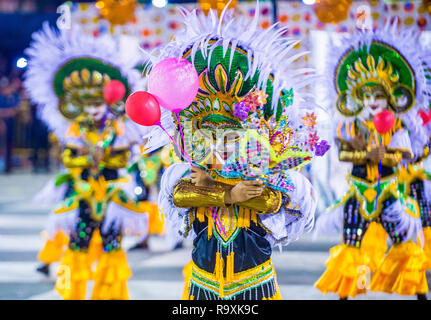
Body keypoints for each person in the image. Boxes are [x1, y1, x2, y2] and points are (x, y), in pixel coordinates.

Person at [147, 4, 327, 300]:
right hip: (204, 279)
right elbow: (180, 195)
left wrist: (215, 188)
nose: (218, 142)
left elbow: (270, 201)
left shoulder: (257, 168)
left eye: (229, 135)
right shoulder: (195, 168)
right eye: (209, 132)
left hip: (253, 281)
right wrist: (230, 194)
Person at [24, 23, 154, 300]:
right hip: (82, 193)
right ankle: (71, 292)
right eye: (89, 104)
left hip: (112, 195)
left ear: (108, 103)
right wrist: (84, 156)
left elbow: (124, 158)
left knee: (112, 245)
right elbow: (69, 157)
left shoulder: (118, 128)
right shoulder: (76, 128)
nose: (94, 109)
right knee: (77, 243)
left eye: (98, 104)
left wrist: (108, 154)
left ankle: (110, 295)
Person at [314, 21, 430, 300]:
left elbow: (405, 156)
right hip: (358, 190)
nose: (372, 101)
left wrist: (386, 152)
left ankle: (419, 293)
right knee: (351, 243)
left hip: (390, 191)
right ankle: (346, 294)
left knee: (405, 243)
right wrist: (366, 153)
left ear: (389, 98)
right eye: (366, 95)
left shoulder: (397, 127)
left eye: (377, 95)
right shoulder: (350, 127)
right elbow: (342, 154)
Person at [0, 76, 20, 173]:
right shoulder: (1, 97)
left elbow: (15, 110)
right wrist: (6, 113)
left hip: (11, 124)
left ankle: (8, 166)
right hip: (1, 122)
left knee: (10, 145)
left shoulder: (13, 97)